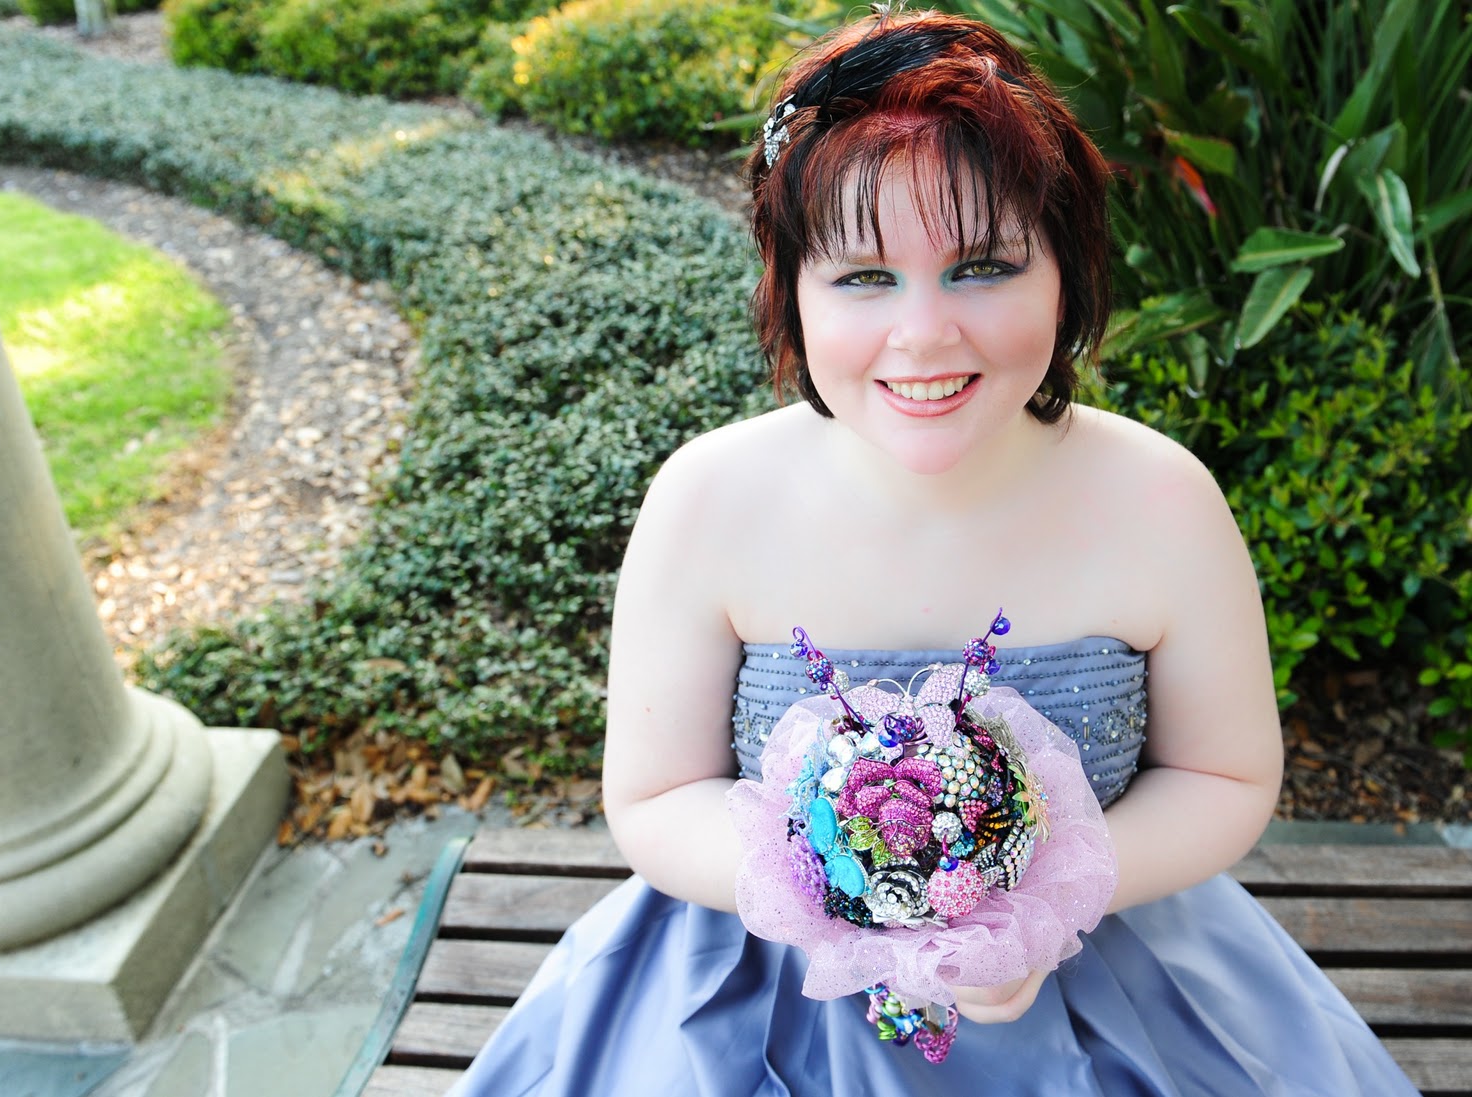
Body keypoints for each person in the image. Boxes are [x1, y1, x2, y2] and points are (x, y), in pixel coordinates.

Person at [447, 10, 1420, 1095]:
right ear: (792, 289)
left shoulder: (1159, 497)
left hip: (1112, 967)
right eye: (863, 277)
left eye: (983, 265)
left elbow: (1224, 773)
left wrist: (1039, 908)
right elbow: (653, 795)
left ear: (1066, 270)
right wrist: (848, 907)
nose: (923, 334)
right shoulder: (709, 499)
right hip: (759, 985)